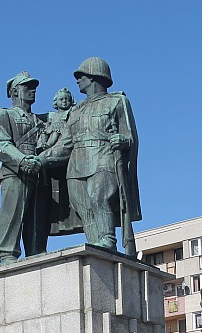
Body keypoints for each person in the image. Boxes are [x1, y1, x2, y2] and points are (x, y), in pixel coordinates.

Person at [56, 57, 142, 257]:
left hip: (104, 158)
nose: (78, 80)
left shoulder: (117, 101)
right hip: (76, 165)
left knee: (99, 198)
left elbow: (131, 136)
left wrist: (123, 140)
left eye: (82, 76)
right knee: (83, 208)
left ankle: (107, 239)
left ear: (94, 77)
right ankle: (96, 247)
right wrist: (39, 160)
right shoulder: (76, 110)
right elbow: (64, 144)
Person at [0, 71, 50, 263]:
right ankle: (7, 253)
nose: (33, 90)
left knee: (37, 219)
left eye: (34, 87)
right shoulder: (3, 115)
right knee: (13, 213)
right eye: (27, 87)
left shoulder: (41, 120)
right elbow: (1, 144)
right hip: (14, 171)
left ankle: (36, 252)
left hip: (38, 172)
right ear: (15, 91)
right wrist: (23, 160)